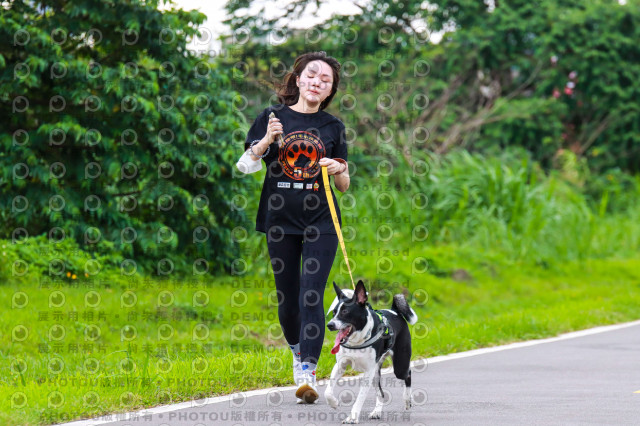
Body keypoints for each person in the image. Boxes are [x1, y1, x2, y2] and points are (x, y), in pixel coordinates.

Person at [237, 51, 350, 404]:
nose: (317, 82)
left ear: (330, 91)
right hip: (280, 222)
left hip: (322, 223)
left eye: (325, 80)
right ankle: (297, 349)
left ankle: (307, 371)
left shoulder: (333, 127)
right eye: (311, 75)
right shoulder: (271, 117)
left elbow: (344, 185)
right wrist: (267, 140)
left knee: (311, 295)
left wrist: (338, 169)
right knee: (288, 301)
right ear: (298, 79)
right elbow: (245, 165)